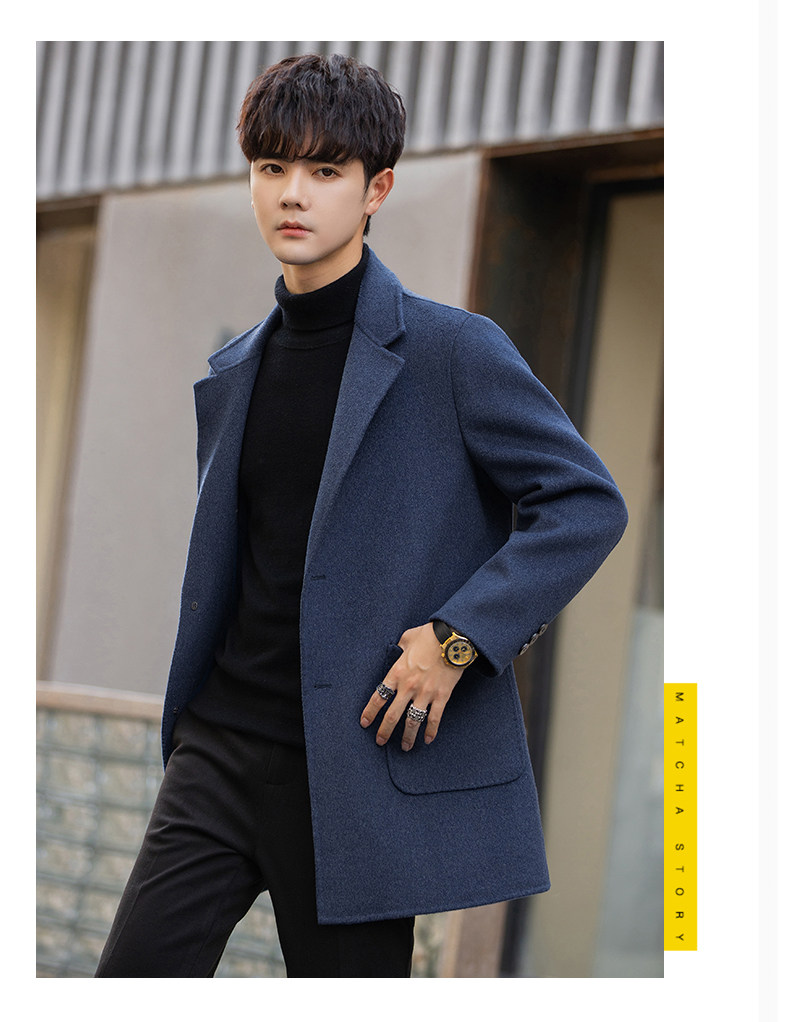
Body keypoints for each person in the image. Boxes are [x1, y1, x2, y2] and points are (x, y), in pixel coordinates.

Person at [95, 52, 628, 979]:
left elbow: (585, 503)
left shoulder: (453, 352)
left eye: (325, 170)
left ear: (376, 189)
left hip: (356, 768)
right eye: (272, 167)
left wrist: (458, 639)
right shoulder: (233, 373)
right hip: (219, 752)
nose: (293, 193)